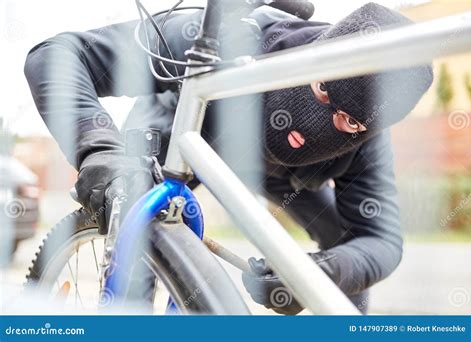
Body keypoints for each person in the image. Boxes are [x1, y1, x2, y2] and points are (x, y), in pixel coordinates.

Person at [24, 3, 433, 314]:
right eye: (324, 89)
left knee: (342, 257)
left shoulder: (368, 139)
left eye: (348, 121)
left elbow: (379, 239)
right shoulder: (231, 38)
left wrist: (322, 273)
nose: (316, 123)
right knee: (139, 218)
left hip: (280, 177)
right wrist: (99, 148)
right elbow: (57, 56)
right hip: (185, 134)